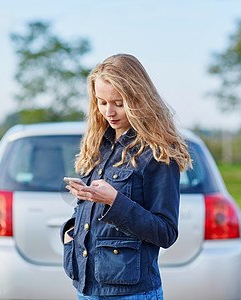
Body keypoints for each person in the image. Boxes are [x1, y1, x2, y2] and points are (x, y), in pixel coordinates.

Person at [61, 53, 191, 300]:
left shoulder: (158, 153)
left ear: (139, 99)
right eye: (101, 102)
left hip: (131, 293)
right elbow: (85, 214)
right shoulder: (97, 146)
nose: (109, 111)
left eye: (118, 103)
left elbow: (166, 233)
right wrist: (70, 232)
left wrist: (114, 202)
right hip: (86, 288)